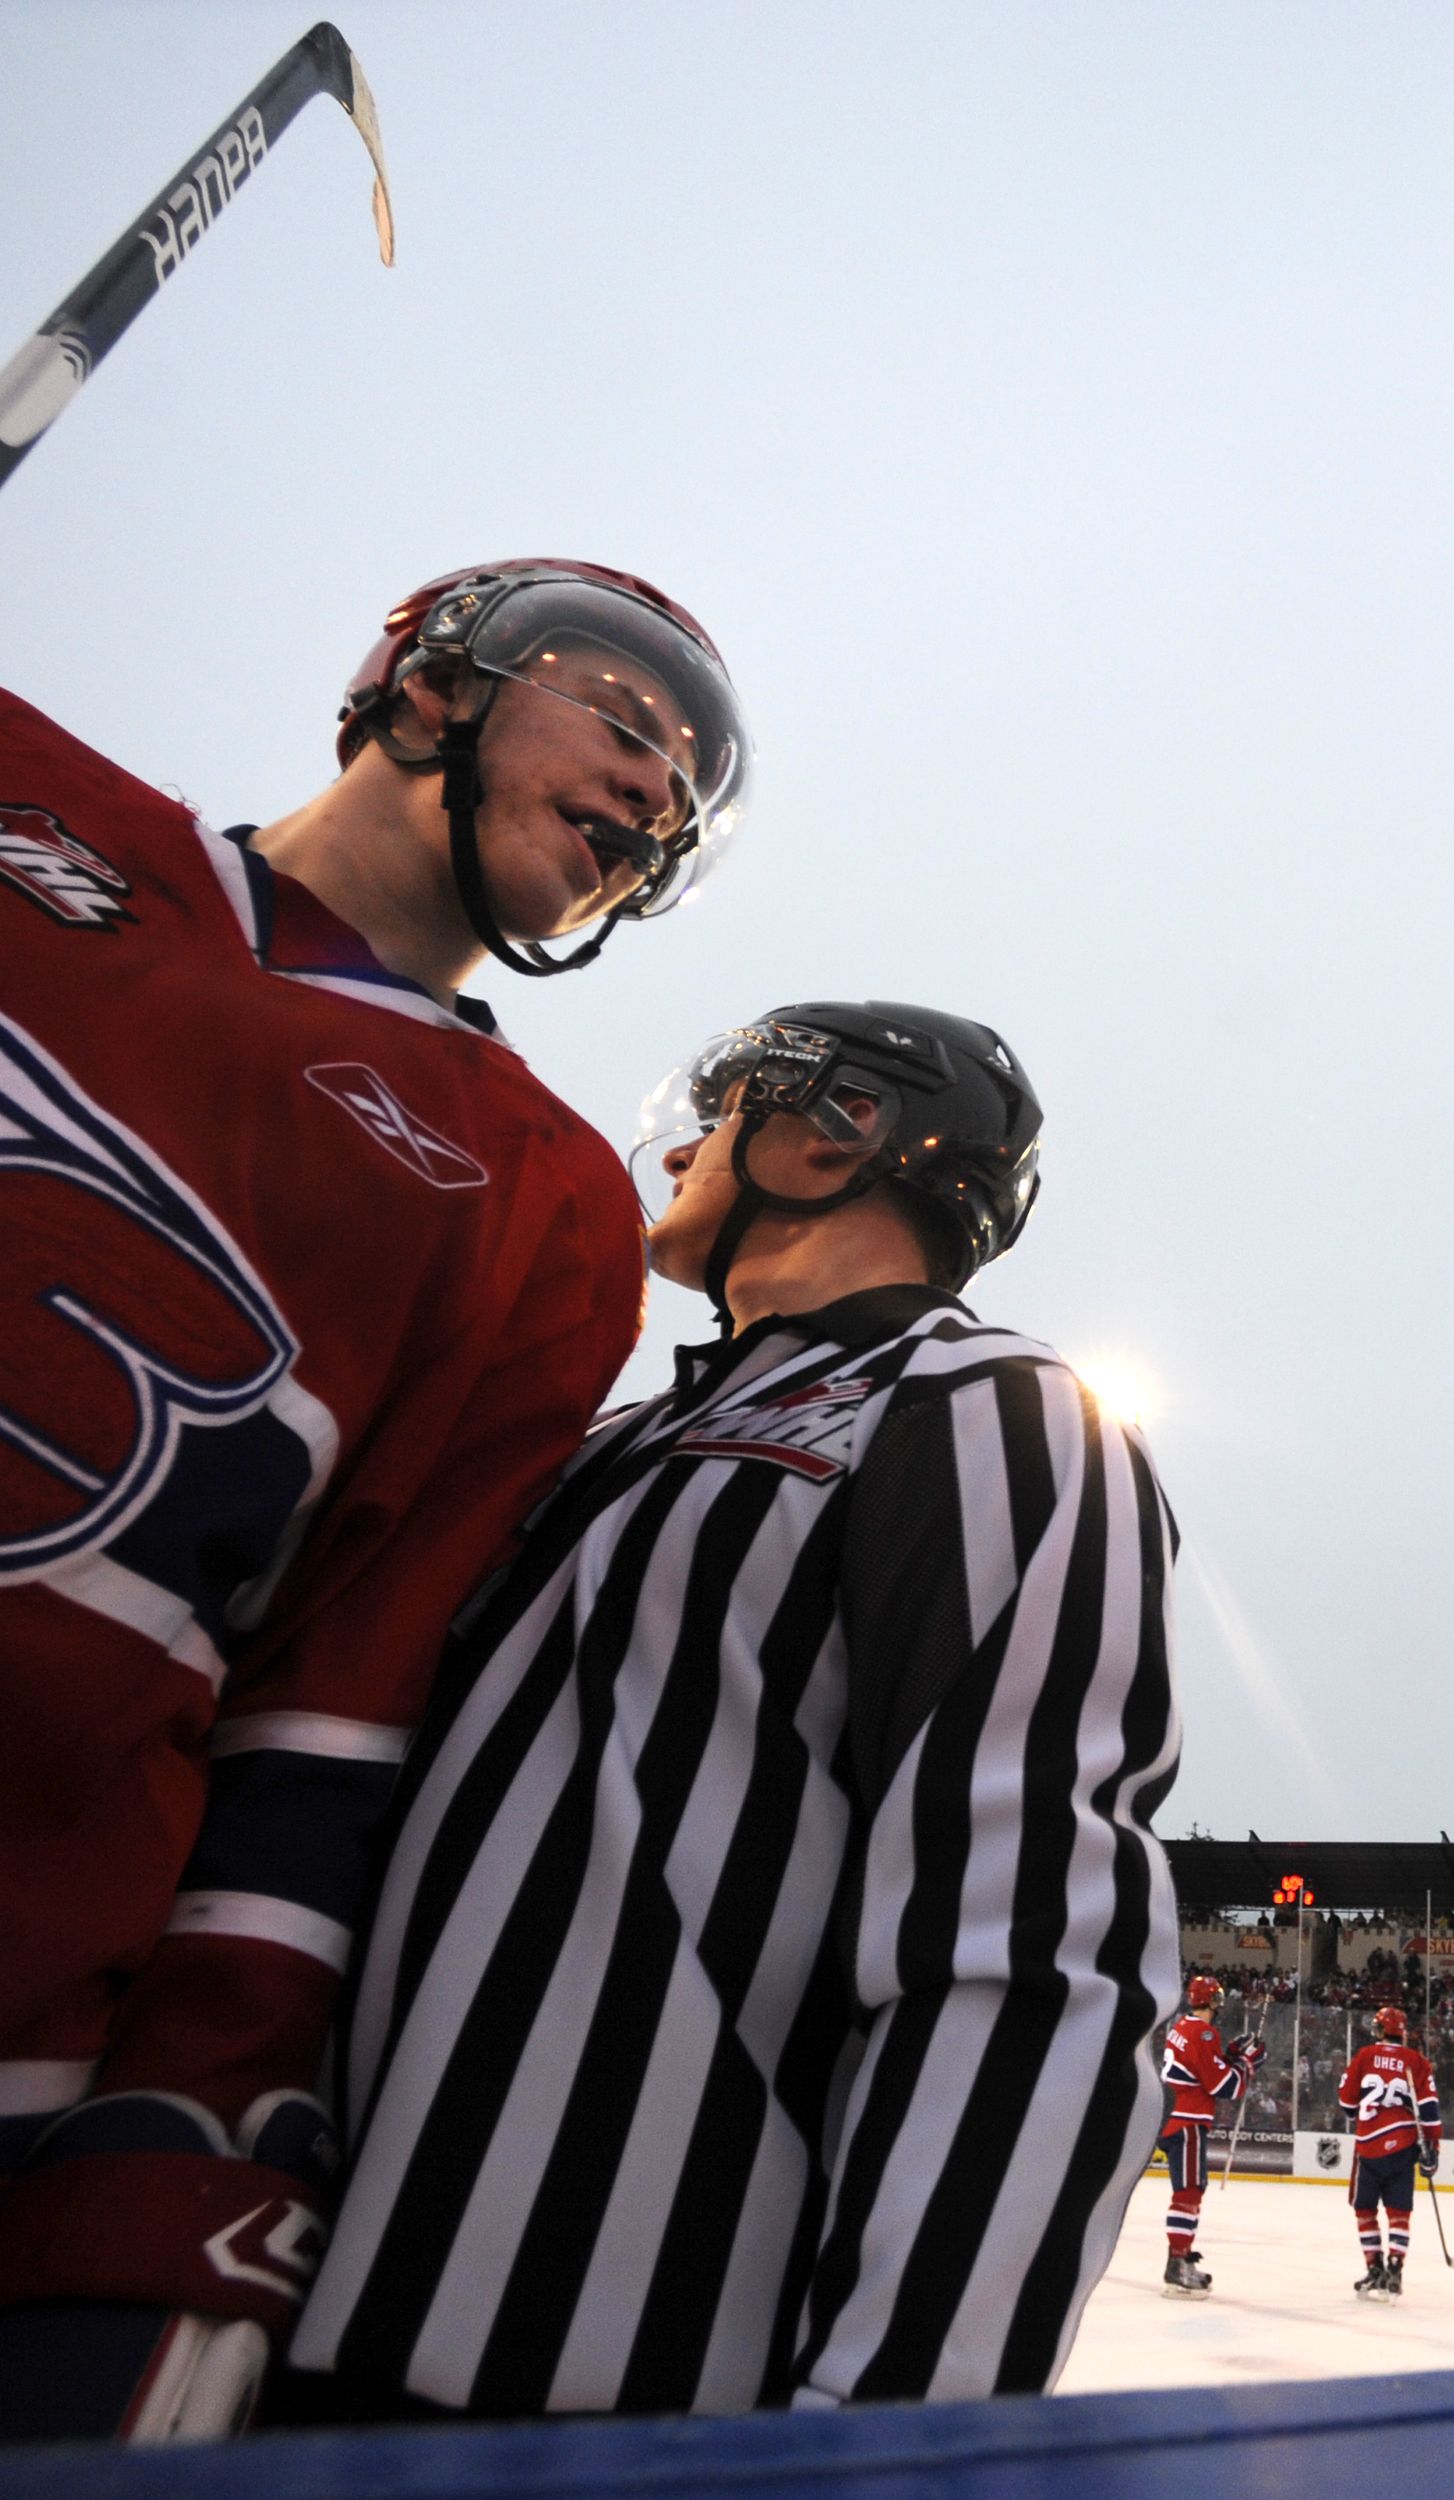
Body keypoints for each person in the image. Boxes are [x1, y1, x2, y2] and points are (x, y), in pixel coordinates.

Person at [0, 561, 747, 2442]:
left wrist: (185, 2172)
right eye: (637, 725)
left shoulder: (549, 1201)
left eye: (690, 803)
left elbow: (321, 1726)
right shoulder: (30, 804)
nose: (661, 803)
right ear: (432, 677)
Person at [284, 1003, 1181, 2417]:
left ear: (841, 1134)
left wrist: (895, 2439)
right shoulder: (607, 1445)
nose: (684, 1150)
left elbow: (1026, 1952)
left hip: (617, 2397)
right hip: (299, 2333)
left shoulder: (985, 1408)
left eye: (726, 1111)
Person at [1157, 1976, 1265, 2297]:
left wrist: (1229, 2055)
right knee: (1189, 2192)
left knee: (1189, 2190)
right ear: (1213, 2001)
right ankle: (1177, 2263)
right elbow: (1224, 2087)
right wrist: (1247, 2064)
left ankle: (1179, 2257)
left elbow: (1204, 2069)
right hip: (1187, 2120)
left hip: (1175, 2118)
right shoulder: (1202, 2032)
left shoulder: (1181, 2027)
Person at [1336, 2005, 1441, 2298]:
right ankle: (1396, 2264)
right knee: (1399, 2211)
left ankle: (1375, 2268)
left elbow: (1346, 2105)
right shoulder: (1417, 2061)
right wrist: (1433, 2148)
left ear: (1379, 2030)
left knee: (1364, 2209)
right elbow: (1430, 2111)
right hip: (1404, 2147)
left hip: (1368, 2145)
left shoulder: (1365, 2056)